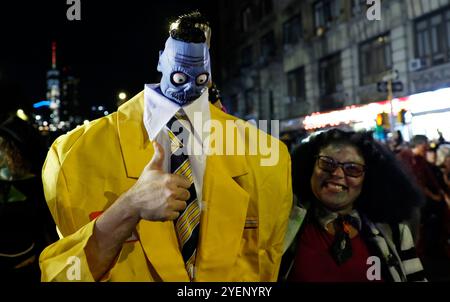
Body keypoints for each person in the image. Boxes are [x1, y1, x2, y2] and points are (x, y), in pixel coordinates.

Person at [39, 11, 292, 282]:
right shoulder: (73, 156)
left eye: (201, 80)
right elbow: (63, 276)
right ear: (161, 60)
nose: (188, 90)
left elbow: (266, 266)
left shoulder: (269, 156)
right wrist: (127, 208)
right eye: (180, 78)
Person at [280, 128, 426, 282]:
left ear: (368, 178)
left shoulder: (395, 232)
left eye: (352, 169)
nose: (337, 174)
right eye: (327, 164)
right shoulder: (284, 224)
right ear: (310, 167)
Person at [0, 116, 58, 282]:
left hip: (27, 266)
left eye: (1, 147)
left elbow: (48, 229)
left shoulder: (39, 186)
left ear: (13, 152)